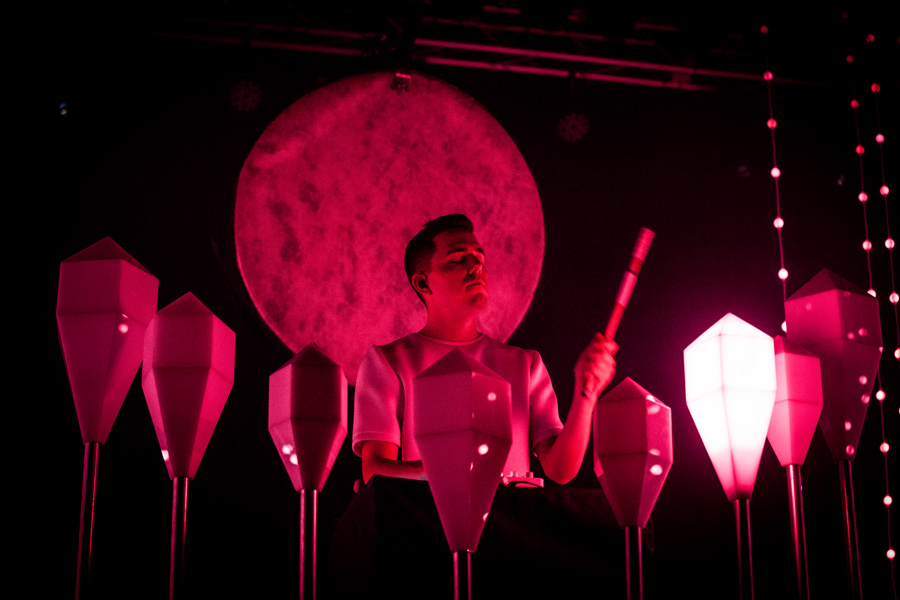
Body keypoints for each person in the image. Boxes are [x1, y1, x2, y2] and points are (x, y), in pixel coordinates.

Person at [351, 214, 617, 485]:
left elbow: (560, 470)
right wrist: (455, 469)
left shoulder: (525, 365)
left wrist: (587, 395)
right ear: (423, 283)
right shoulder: (389, 362)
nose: (475, 266)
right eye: (457, 259)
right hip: (425, 525)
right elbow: (374, 470)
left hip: (509, 526)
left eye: (480, 258)